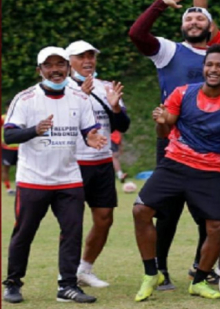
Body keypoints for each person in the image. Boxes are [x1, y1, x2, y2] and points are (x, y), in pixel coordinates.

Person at [132, 44, 220, 301]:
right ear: (203, 67)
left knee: (219, 226)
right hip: (174, 163)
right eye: (209, 64)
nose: (213, 69)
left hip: (208, 170)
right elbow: (164, 133)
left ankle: (198, 280)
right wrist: (162, 123)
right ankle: (151, 273)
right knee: (141, 210)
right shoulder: (182, 93)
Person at [129, 0, 220, 289]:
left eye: (200, 17)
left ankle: (201, 270)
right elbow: (137, 33)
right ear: (182, 26)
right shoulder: (169, 50)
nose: (194, 21)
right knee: (166, 210)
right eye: (189, 17)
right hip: (170, 139)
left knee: (206, 214)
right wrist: (160, 4)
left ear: (210, 28)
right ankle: (160, 270)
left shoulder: (219, 60)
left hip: (210, 143)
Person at [2, 47, 107, 304]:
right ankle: (13, 283)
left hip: (69, 178)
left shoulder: (80, 99)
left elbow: (89, 130)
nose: (55, 70)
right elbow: (9, 135)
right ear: (40, 71)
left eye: (60, 64)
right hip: (33, 179)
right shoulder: (25, 99)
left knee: (72, 232)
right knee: (24, 233)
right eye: (49, 65)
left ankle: (67, 286)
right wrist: (34, 130)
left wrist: (92, 137)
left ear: (68, 68)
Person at [64, 40, 131, 289]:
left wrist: (115, 108)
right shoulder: (61, 88)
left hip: (102, 163)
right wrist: (82, 95)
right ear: (69, 61)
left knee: (104, 219)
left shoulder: (106, 87)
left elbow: (122, 125)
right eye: (81, 56)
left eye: (91, 56)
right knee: (71, 221)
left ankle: (85, 269)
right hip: (72, 164)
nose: (88, 60)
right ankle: (67, 275)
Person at [1, 112, 18, 195]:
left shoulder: (20, 116)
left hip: (19, 147)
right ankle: (8, 189)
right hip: (7, 147)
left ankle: (18, 188)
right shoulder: (3, 118)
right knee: (5, 168)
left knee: (20, 169)